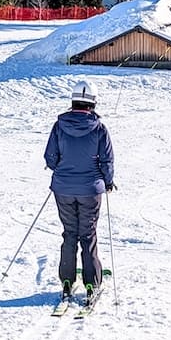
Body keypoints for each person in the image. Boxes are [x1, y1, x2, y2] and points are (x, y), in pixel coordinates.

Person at [43, 83, 114, 303]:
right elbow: (107, 160)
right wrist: (108, 181)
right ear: (93, 103)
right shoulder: (99, 128)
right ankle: (92, 283)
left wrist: (64, 170)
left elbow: (50, 157)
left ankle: (67, 280)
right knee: (88, 234)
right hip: (90, 189)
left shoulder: (59, 125)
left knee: (69, 232)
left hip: (63, 188)